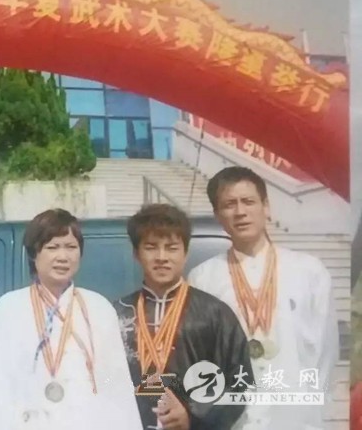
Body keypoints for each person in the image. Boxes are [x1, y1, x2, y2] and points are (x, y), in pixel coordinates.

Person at [188, 166, 339, 429]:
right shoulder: (203, 278)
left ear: (266, 207)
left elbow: (326, 352)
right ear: (217, 215)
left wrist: (312, 412)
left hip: (294, 418)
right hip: (233, 419)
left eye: (248, 201)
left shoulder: (309, 271)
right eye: (229, 205)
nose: (240, 212)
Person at [0, 209, 143, 429]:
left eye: (71, 247)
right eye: (52, 247)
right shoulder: (9, 308)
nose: (63, 257)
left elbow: (114, 380)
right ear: (33, 253)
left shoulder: (98, 308)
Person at [114, 203, 253, 430]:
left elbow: (240, 383)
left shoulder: (214, 313)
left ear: (185, 253)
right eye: (151, 247)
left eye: (171, 248)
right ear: (136, 254)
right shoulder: (117, 313)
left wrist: (193, 414)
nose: (162, 257)